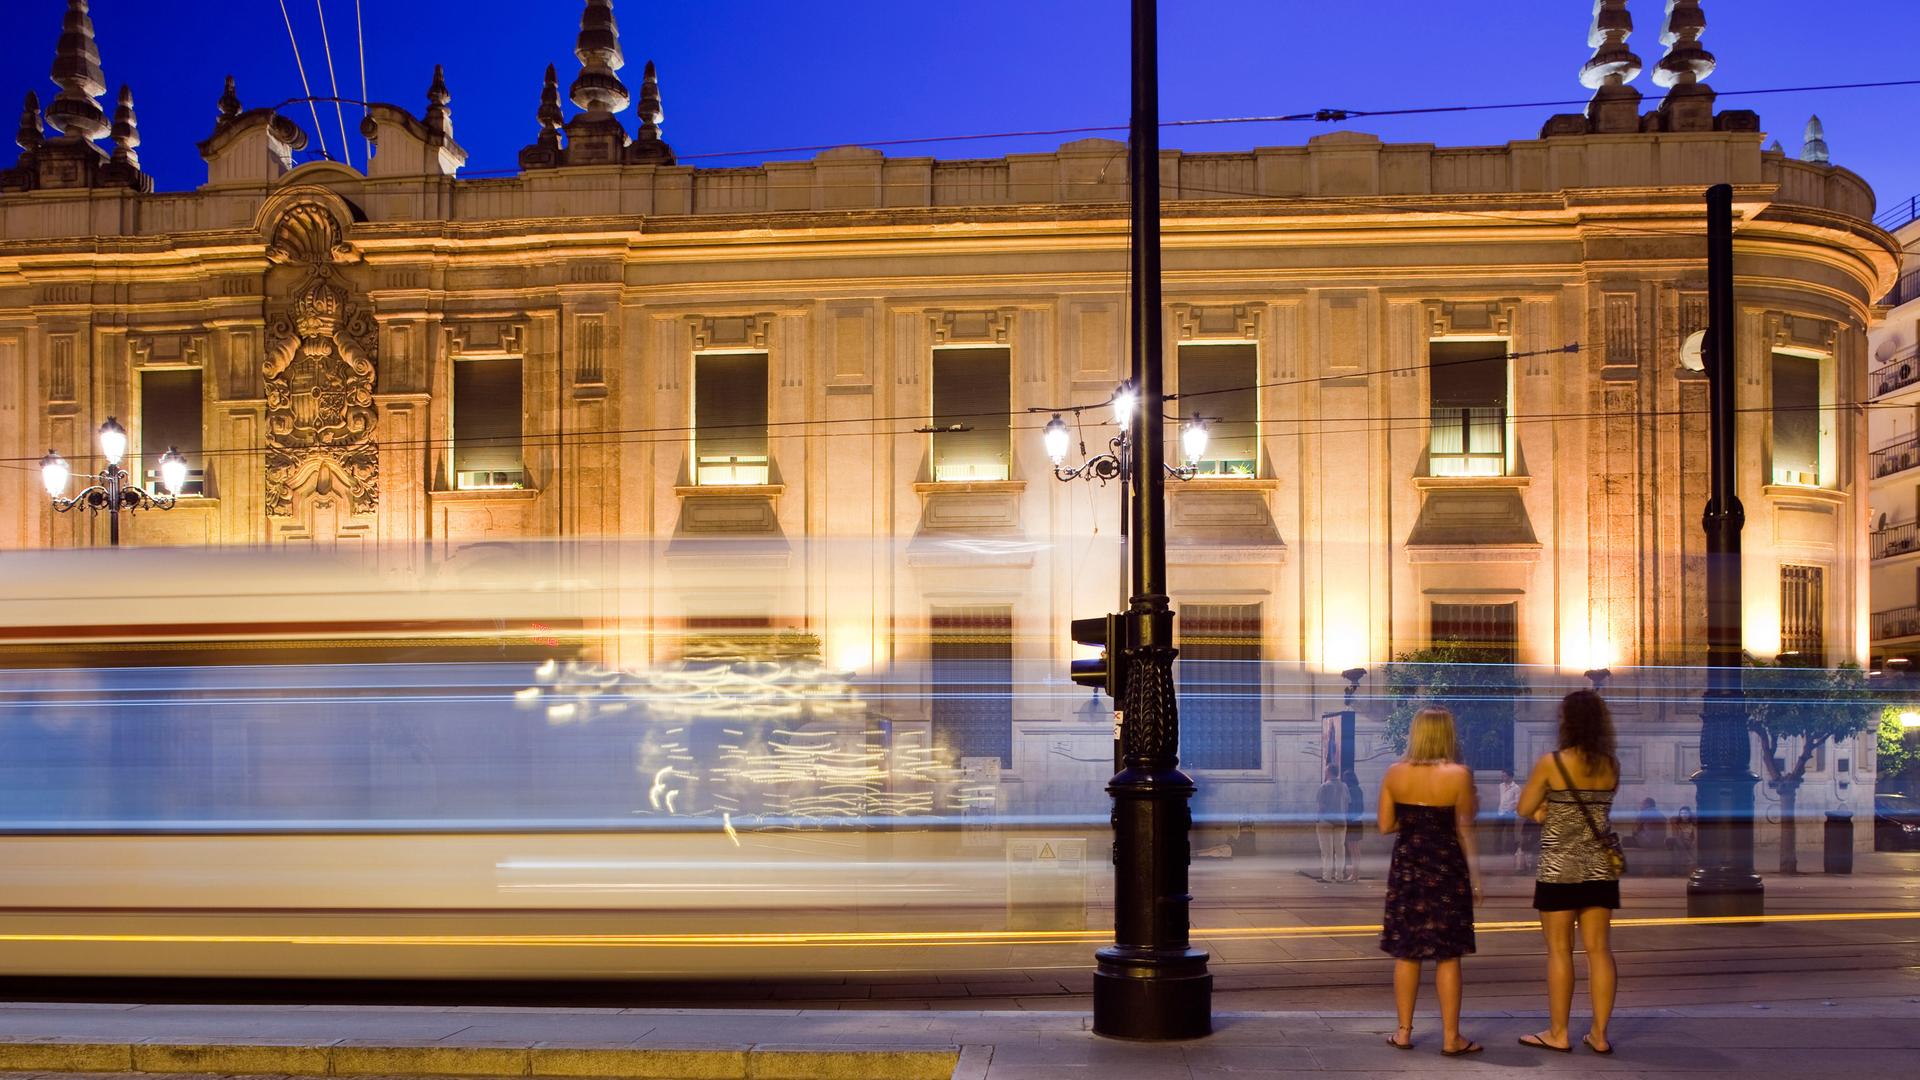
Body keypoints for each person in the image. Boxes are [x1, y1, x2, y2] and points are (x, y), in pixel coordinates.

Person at [1516, 689, 1622, 1055]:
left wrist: (1544, 810)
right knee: (1600, 952)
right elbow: (1599, 811)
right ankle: (1600, 1034)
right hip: (1600, 869)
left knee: (1560, 952)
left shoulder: (1552, 763)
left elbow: (1524, 806)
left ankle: (1559, 1033)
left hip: (1558, 869)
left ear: (1566, 722)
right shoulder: (1611, 764)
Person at [1377, 707, 1482, 1056]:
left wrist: (1413, 822)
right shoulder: (1460, 775)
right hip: (1447, 868)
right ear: (1449, 735)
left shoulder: (1395, 773)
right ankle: (1451, 1038)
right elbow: (1465, 828)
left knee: (1407, 953)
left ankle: (1404, 1031)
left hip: (1408, 868)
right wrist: (1477, 877)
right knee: (1448, 956)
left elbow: (1385, 825)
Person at [1315, 767, 1347, 882]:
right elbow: (1348, 803)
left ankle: (1327, 876)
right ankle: (1339, 876)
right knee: (1340, 850)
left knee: (1327, 850)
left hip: (1326, 821)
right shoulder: (1344, 786)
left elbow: (1321, 805)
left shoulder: (1324, 787)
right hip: (1341, 821)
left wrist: (1318, 819)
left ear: (1328, 772)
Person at [1497, 768, 1523, 872]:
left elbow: (1517, 802)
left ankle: (1510, 850)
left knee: (1510, 832)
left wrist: (1510, 810)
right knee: (1497, 832)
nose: (1502, 778)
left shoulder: (1516, 788)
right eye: (1502, 776)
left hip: (1510, 813)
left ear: (1510, 776)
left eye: (1504, 776)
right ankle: (1498, 850)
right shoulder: (1501, 786)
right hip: (1500, 812)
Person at [1341, 769, 1365, 882]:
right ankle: (1356, 873)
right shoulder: (1359, 789)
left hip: (1351, 821)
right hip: (1359, 820)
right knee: (1356, 848)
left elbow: (1348, 806)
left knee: (1352, 848)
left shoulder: (1349, 790)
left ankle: (1354, 874)